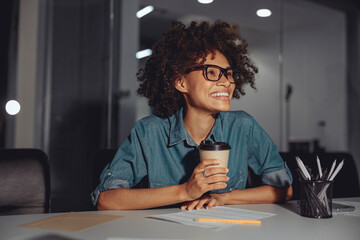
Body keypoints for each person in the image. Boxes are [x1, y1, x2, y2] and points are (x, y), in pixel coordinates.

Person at [92, 20, 293, 211]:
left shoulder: (243, 127)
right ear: (181, 82)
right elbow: (106, 200)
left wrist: (224, 197)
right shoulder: (149, 132)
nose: (226, 82)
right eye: (212, 72)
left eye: (229, 74)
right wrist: (185, 191)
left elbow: (284, 190)